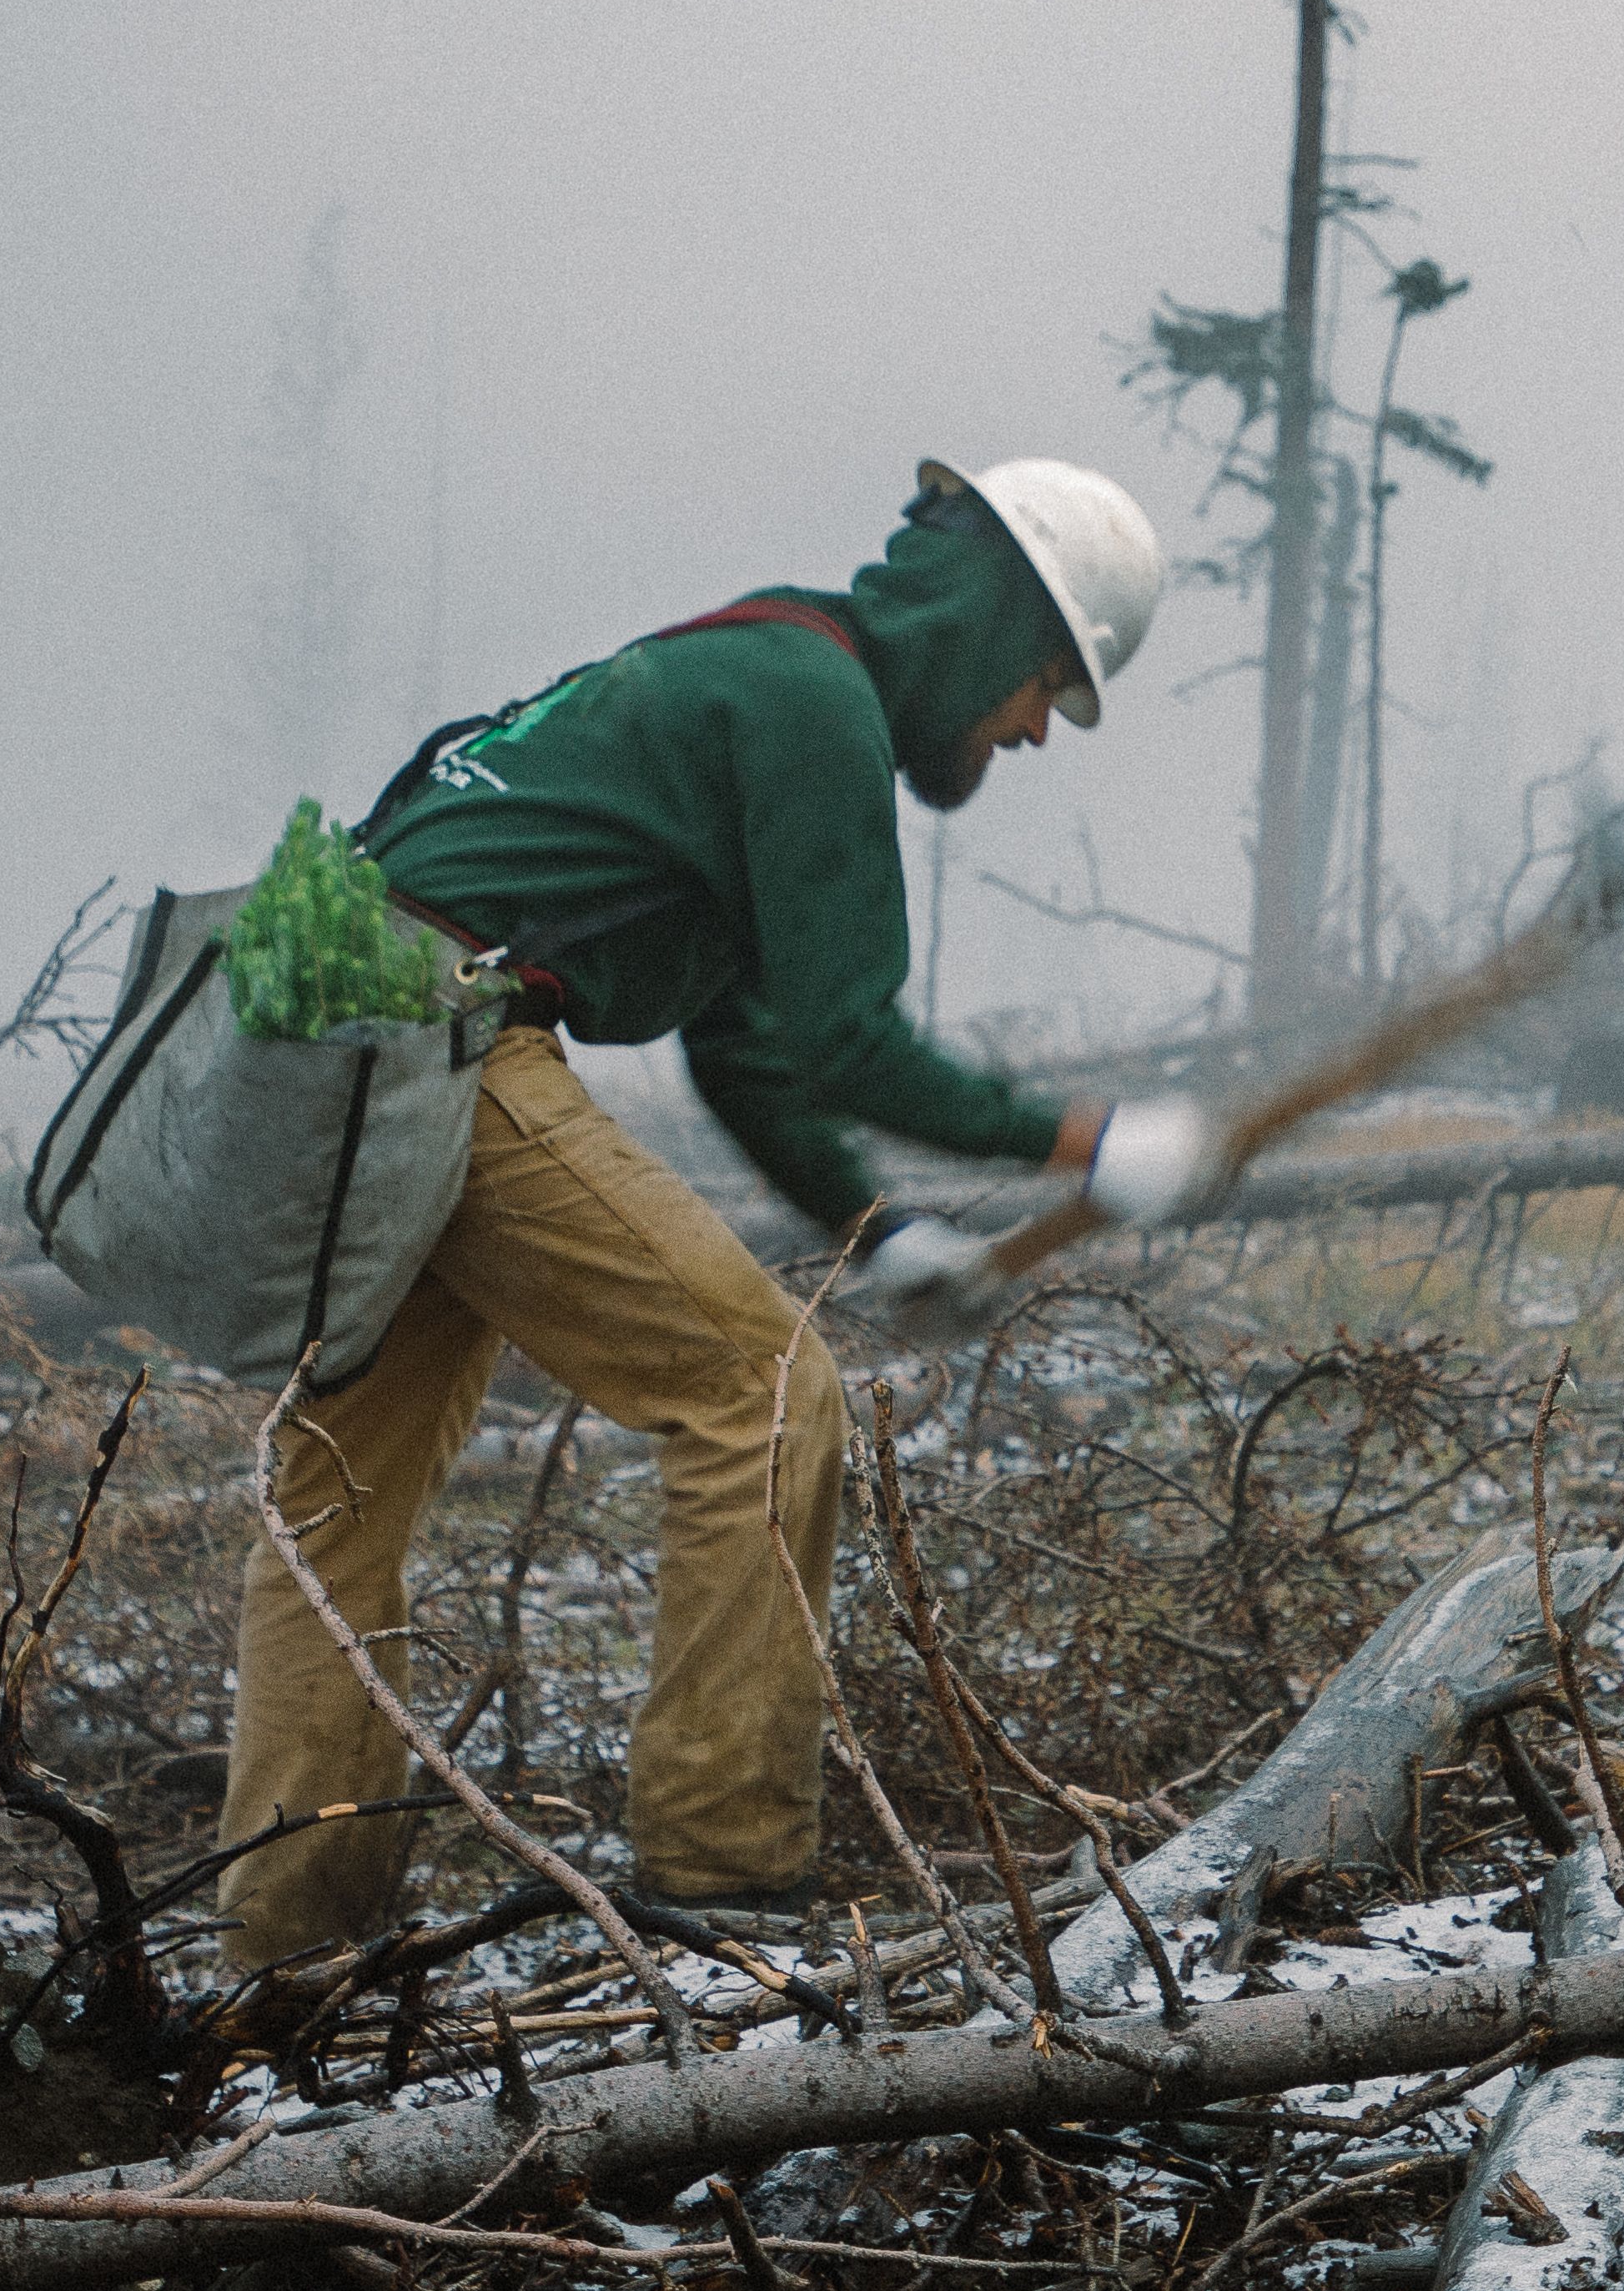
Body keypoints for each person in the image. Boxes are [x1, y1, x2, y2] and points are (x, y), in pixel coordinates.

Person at [214, 457, 1222, 1971]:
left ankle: (288, 1953)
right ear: (984, 627)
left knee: (336, 1505)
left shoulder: (755, 669)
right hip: (435, 1038)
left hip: (336, 1041)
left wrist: (880, 1232)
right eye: (1042, 687)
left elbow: (747, 1047)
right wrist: (1088, 1140)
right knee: (759, 1393)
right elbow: (847, 1042)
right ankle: (723, 1890)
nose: (1028, 731)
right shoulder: (812, 705)